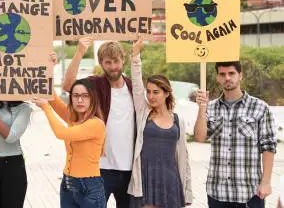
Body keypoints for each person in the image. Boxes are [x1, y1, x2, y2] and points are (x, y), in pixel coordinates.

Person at [194, 61, 277, 208]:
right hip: (217, 191)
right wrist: (202, 108)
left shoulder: (260, 107)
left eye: (231, 73)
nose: (227, 78)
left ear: (240, 76)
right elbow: (200, 137)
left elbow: (268, 147)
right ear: (218, 78)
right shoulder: (210, 107)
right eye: (222, 74)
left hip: (249, 192)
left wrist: (266, 182)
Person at [63, 38, 135, 208]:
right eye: (107, 62)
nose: (112, 66)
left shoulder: (133, 87)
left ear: (123, 60)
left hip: (130, 170)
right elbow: (67, 86)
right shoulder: (95, 84)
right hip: (99, 169)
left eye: (116, 61)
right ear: (101, 63)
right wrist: (80, 52)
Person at [126, 39, 192, 208]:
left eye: (156, 92)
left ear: (166, 93)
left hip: (170, 179)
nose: (151, 96)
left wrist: (188, 190)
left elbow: (184, 157)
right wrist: (135, 55)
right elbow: (136, 84)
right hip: (146, 177)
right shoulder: (144, 113)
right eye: (149, 92)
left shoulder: (177, 119)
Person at [35, 72, 107, 208]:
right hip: (68, 183)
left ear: (93, 98)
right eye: (76, 96)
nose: (80, 100)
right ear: (71, 98)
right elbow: (53, 98)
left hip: (89, 187)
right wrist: (48, 66)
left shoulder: (95, 124)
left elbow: (61, 133)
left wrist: (45, 107)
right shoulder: (73, 119)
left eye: (85, 96)